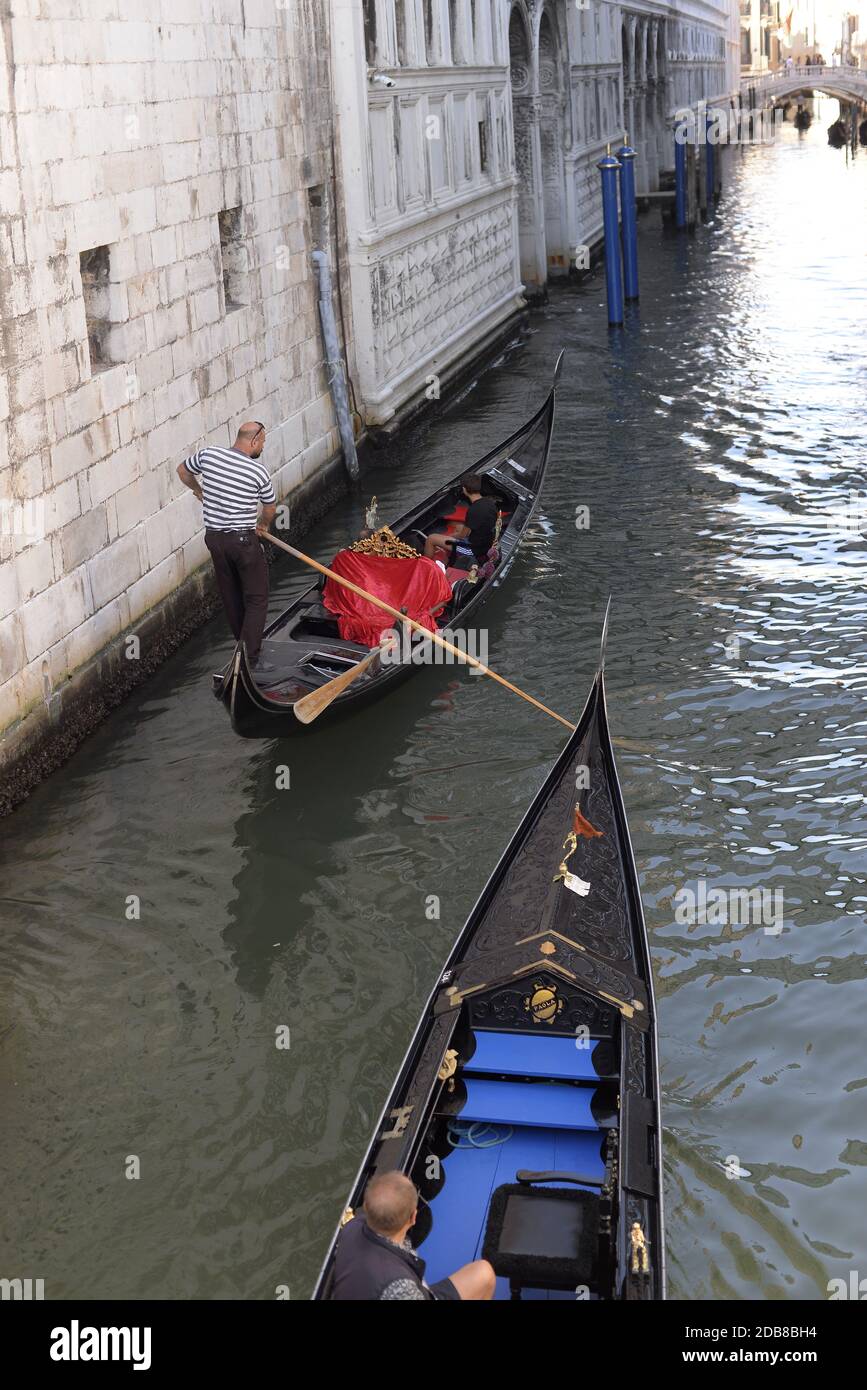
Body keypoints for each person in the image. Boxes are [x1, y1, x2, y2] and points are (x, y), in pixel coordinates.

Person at [177, 422, 277, 669]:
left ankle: (242, 648)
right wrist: (263, 526)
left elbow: (182, 471)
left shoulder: (209, 454)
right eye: (262, 442)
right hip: (242, 541)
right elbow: (270, 507)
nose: (262, 447)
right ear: (253, 441)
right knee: (257, 597)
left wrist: (199, 491)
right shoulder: (258, 472)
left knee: (231, 596)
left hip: (215, 540)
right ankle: (248, 659)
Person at [330, 1171, 496, 1300]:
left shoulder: (351, 1227)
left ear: (366, 1207)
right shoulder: (400, 1287)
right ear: (413, 1217)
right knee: (485, 1273)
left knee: (483, 1272)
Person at [423, 473, 498, 567]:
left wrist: (452, 535)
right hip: (486, 541)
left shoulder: (473, 510)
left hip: (473, 549)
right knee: (457, 525)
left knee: (431, 538)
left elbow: (463, 535)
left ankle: (424, 566)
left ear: (464, 489)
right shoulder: (490, 503)